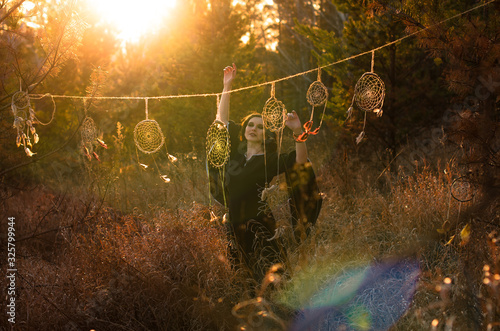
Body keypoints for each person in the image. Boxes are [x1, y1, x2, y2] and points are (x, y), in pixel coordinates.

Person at [210, 63, 322, 283]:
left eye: (260, 127)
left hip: (261, 225)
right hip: (233, 223)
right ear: (243, 130)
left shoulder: (269, 161)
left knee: (273, 277)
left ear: (265, 134)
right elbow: (221, 121)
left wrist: (298, 131)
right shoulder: (235, 155)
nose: (254, 128)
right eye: (250, 125)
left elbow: (300, 161)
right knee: (241, 275)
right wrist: (227, 86)